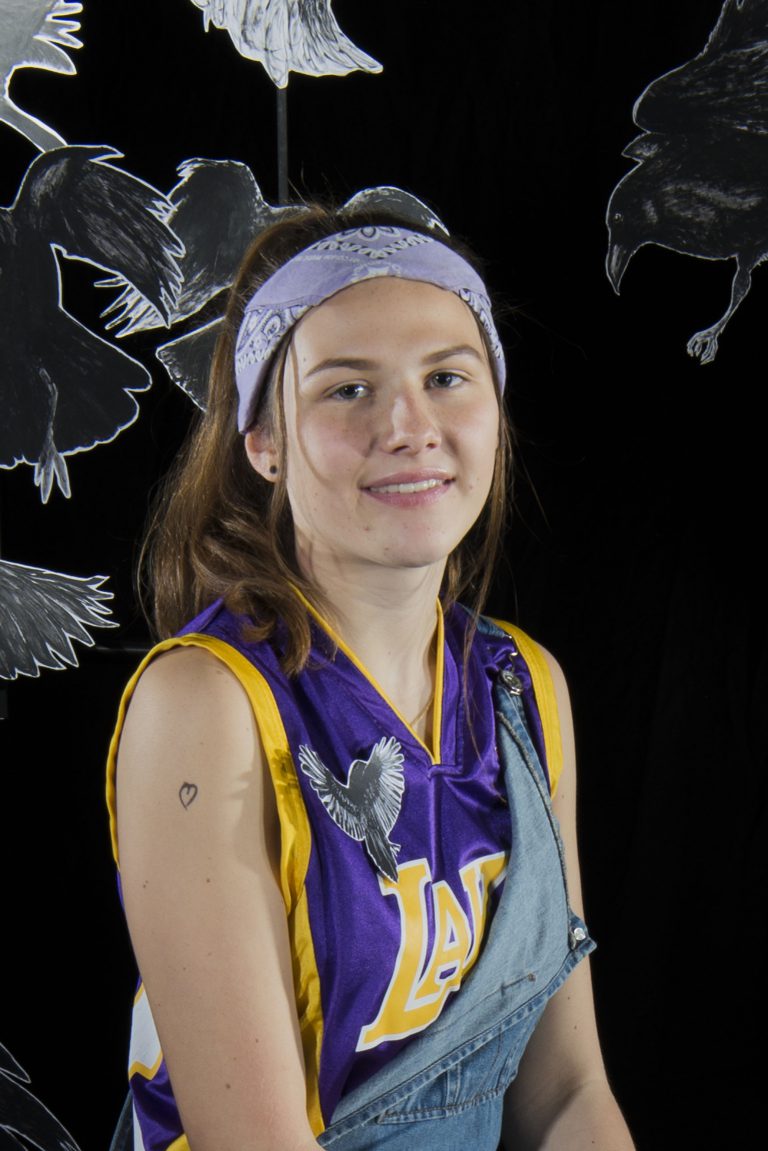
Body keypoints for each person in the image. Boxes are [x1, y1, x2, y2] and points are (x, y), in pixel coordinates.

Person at [106, 206, 635, 1151]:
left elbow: (566, 1094)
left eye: (446, 378)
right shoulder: (205, 707)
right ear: (264, 442)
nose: (408, 427)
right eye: (348, 388)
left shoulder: (524, 688)